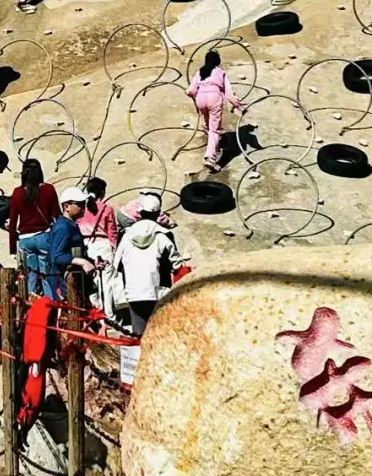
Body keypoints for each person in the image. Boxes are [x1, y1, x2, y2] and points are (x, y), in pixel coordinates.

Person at [113, 193, 185, 335]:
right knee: (161, 333)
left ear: (139, 212)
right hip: (159, 293)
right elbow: (177, 265)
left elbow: (117, 265)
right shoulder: (164, 234)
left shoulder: (125, 234)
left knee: (140, 335)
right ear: (158, 213)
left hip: (133, 293)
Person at [188, 49, 246, 172]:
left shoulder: (201, 72)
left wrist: (196, 96)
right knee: (214, 130)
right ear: (218, 62)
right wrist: (239, 107)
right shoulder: (220, 72)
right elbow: (229, 94)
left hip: (201, 99)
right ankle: (210, 158)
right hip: (214, 98)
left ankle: (214, 145)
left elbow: (190, 91)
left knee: (207, 124)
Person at [74, 177, 120, 316]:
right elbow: (112, 233)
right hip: (103, 245)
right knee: (107, 282)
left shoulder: (81, 208)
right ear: (103, 192)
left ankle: (96, 313)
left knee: (92, 282)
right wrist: (114, 248)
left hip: (87, 246)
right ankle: (109, 315)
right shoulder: (107, 209)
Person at [5, 158, 60, 258]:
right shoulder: (48, 189)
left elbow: (13, 222)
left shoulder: (17, 192)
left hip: (25, 239)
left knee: (30, 272)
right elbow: (57, 215)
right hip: (44, 235)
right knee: (47, 271)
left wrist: (12, 249)